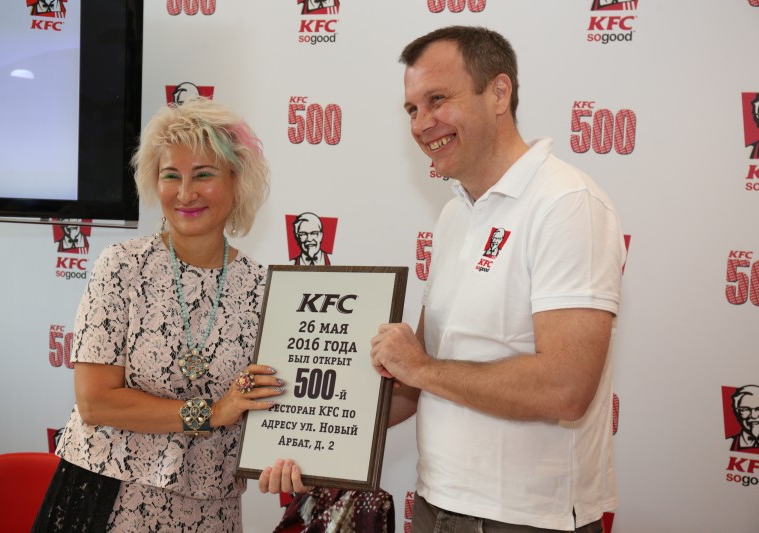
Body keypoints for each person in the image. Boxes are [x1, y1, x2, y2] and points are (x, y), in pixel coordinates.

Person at [370, 26, 626, 532]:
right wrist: (311, 440)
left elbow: (565, 387)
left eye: (437, 99)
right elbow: (415, 382)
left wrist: (420, 368)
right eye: (412, 109)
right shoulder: (454, 214)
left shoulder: (566, 203)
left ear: (499, 94)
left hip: (528, 519)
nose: (421, 123)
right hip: (434, 506)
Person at [32, 97, 305, 532]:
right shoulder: (121, 266)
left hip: (211, 511)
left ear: (237, 180)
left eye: (204, 175)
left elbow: (278, 406)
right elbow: (95, 401)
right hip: (109, 499)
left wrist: (298, 455)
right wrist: (212, 412)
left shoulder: (265, 288)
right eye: (171, 175)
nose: (185, 193)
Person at [728, 384, 759, 452]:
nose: (753, 415)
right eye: (745, 409)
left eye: (758, 409)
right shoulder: (726, 444)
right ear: (737, 412)